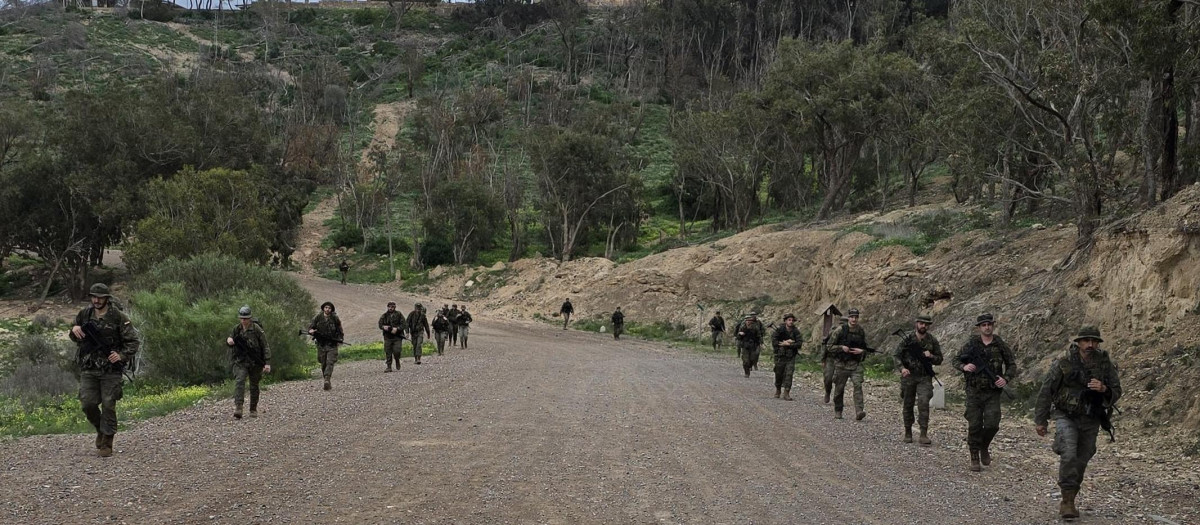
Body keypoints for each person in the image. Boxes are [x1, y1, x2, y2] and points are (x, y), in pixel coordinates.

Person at [1034, 326, 1122, 520]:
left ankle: (1072, 494)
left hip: (1091, 418)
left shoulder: (1104, 364)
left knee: (1082, 458)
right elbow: (1046, 390)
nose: (1090, 345)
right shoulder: (1064, 363)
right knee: (1068, 453)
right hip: (1066, 416)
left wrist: (1104, 388)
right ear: (1078, 342)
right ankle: (1067, 501)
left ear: (1098, 343)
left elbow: (1116, 390)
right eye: (1086, 341)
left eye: (1094, 341)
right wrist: (1041, 420)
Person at [68, 283, 140, 457]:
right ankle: (100, 429)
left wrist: (121, 356)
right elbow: (75, 336)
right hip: (89, 367)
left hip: (110, 370)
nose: (96, 300)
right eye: (93, 296)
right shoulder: (85, 314)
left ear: (107, 298)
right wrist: (74, 329)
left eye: (100, 297)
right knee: (87, 404)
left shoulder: (118, 317)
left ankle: (107, 442)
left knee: (109, 404)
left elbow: (133, 342)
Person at [953, 312, 1018, 472]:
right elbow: (955, 360)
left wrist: (1006, 378)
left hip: (992, 392)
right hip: (974, 391)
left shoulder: (999, 343)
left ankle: (984, 446)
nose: (987, 327)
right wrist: (964, 367)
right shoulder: (971, 343)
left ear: (992, 325)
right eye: (984, 325)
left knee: (992, 424)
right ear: (979, 328)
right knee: (974, 424)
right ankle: (974, 456)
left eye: (989, 324)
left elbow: (1011, 364)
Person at [894, 314, 943, 445]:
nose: (924, 326)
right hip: (909, 376)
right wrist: (902, 368)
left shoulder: (932, 340)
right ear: (917, 323)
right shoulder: (907, 339)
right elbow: (896, 355)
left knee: (924, 403)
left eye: (926, 324)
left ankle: (923, 433)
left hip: (924, 377)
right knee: (908, 403)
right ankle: (908, 432)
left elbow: (940, 359)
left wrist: (931, 356)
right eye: (921, 323)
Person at [226, 306, 271, 419]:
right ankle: (238, 408)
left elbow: (265, 346)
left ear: (250, 318)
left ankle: (253, 409)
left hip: (255, 361)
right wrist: (229, 340)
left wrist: (267, 363)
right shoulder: (237, 329)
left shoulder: (257, 329)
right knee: (240, 381)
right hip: (241, 361)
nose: (243, 320)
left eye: (245, 318)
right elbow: (230, 339)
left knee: (254, 385)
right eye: (241, 318)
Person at [829, 308, 870, 420]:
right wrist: (841, 347)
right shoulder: (840, 330)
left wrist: (861, 351)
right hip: (841, 364)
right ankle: (838, 410)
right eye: (852, 317)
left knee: (858, 386)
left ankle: (859, 410)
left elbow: (865, 347)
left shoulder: (860, 331)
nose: (854, 319)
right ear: (849, 318)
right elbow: (830, 347)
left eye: (856, 317)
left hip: (855, 364)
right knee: (839, 389)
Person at [308, 301, 344, 391]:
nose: (327, 309)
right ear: (323, 308)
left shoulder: (334, 318)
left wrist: (340, 339)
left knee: (330, 362)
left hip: (332, 344)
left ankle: (327, 379)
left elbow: (339, 329)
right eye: (326, 308)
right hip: (321, 344)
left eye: (329, 308)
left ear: (331, 310)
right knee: (323, 362)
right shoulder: (318, 317)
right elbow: (311, 327)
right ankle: (326, 378)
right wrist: (311, 331)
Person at [771, 314, 803, 400]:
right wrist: (782, 343)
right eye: (789, 320)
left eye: (792, 320)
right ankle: (778, 389)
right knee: (779, 373)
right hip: (780, 356)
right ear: (785, 321)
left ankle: (786, 392)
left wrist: (789, 344)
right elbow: (774, 341)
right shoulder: (779, 330)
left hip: (790, 356)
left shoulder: (796, 331)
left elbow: (799, 343)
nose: (791, 322)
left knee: (789, 374)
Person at [821, 316, 849, 404]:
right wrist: (823, 359)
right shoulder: (833, 332)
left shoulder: (850, 334)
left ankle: (838, 399)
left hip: (841, 359)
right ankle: (828, 392)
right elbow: (826, 345)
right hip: (830, 358)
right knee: (828, 378)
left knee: (840, 380)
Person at [378, 301, 406, 372]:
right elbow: (380, 324)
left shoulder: (399, 314)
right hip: (388, 337)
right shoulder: (384, 316)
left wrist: (397, 329)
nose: (390, 308)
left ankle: (397, 360)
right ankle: (389, 366)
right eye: (389, 307)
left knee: (397, 351)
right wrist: (384, 327)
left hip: (397, 337)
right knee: (388, 351)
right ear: (387, 307)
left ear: (394, 307)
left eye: (392, 307)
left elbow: (404, 324)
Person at [735, 313, 764, 377]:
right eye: (747, 321)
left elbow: (759, 335)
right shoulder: (742, 327)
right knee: (745, 361)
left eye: (750, 321)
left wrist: (761, 343)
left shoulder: (755, 327)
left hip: (753, 346)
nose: (748, 322)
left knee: (753, 359)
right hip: (745, 346)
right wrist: (740, 334)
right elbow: (738, 337)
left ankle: (750, 366)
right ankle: (747, 373)